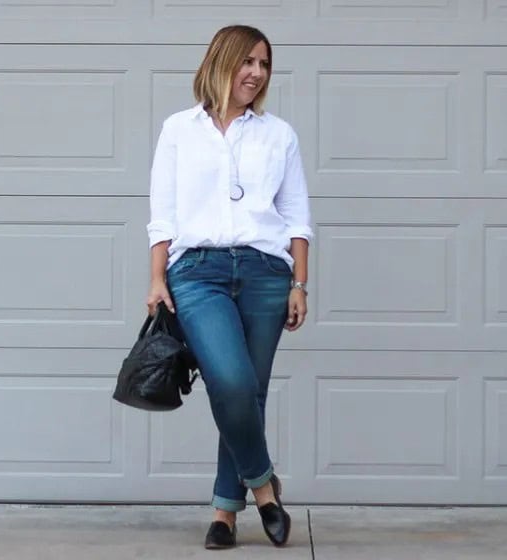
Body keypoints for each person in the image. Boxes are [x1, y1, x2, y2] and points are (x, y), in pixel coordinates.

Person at [145, 24, 312, 550]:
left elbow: (297, 217)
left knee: (248, 395)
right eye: (249, 62)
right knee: (231, 383)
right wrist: (156, 277)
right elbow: (162, 215)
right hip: (196, 272)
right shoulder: (178, 129)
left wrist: (300, 283)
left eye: (264, 65)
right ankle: (263, 487)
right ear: (222, 62)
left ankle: (223, 513)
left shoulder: (278, 134)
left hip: (266, 274)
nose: (257, 73)